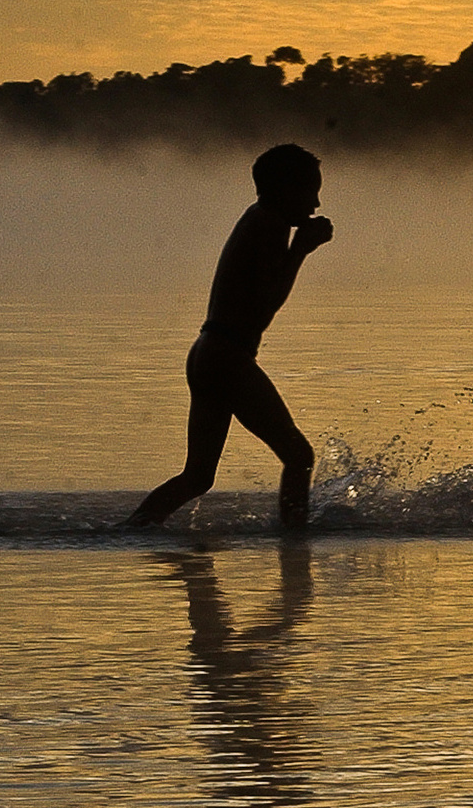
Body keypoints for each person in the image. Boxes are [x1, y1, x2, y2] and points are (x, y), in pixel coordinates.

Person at [124, 144, 333, 531]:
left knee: (199, 477)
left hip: (210, 353)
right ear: (284, 189)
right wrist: (302, 250)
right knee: (298, 455)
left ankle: (129, 531)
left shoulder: (261, 219)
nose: (316, 203)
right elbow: (265, 303)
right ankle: (294, 543)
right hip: (227, 358)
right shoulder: (269, 224)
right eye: (310, 191)